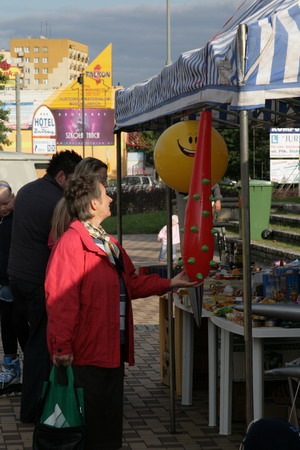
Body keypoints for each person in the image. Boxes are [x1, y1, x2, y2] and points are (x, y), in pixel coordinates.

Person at [45, 174, 198, 450]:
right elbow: (59, 300)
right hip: (84, 354)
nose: (111, 198)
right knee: (86, 430)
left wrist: (171, 281)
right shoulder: (71, 244)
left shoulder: (108, 243)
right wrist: (62, 347)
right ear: (93, 204)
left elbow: (131, 283)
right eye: (105, 194)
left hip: (110, 350)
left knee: (107, 427)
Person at [8, 150, 82, 423]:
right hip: (40, 281)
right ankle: (34, 410)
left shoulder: (27, 190)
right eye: (74, 179)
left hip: (18, 278)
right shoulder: (58, 201)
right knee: (40, 347)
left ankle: (38, 403)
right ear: (61, 176)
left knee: (35, 343)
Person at [0, 181, 29, 394]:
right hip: (2, 284)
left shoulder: (18, 221)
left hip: (16, 281)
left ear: (14, 199)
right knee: (6, 325)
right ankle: (10, 366)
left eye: (6, 203)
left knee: (19, 323)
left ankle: (33, 363)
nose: (3, 208)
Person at [50, 157, 108, 243]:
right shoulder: (76, 208)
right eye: (101, 180)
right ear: (87, 180)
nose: (106, 184)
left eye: (106, 179)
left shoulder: (65, 203)